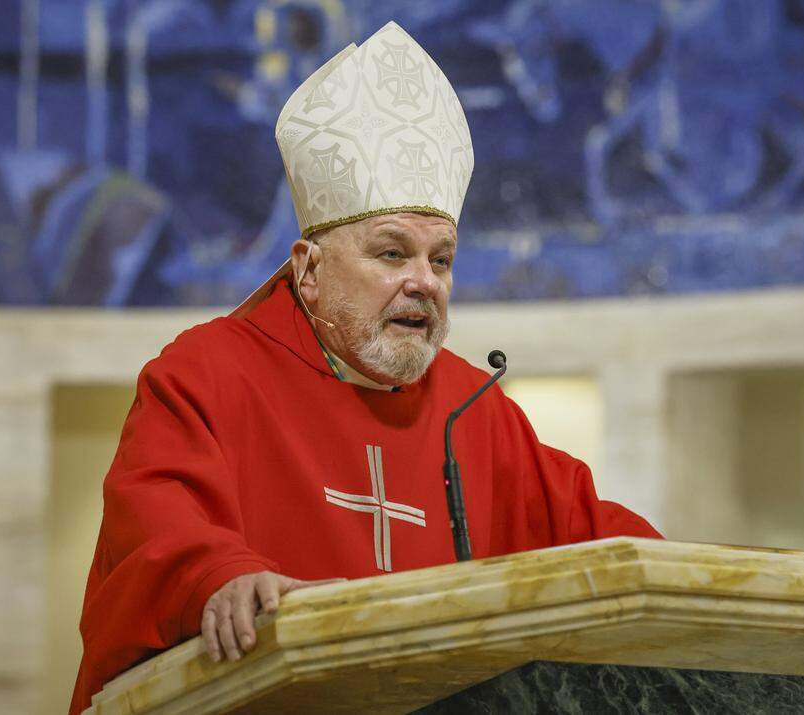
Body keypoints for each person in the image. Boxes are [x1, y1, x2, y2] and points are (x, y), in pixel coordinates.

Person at [69, 21, 660, 715]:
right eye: (391, 254)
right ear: (309, 269)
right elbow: (156, 521)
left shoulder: (473, 409)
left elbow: (596, 537)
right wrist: (218, 577)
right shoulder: (207, 376)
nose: (424, 282)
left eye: (440, 259)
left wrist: (702, 579)